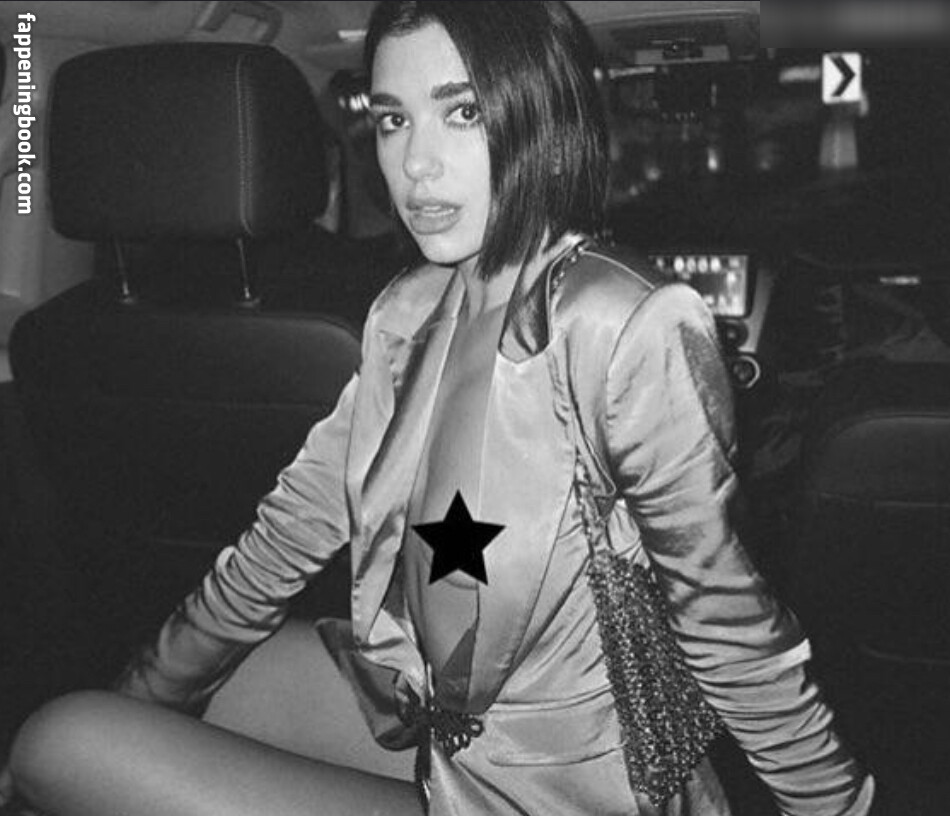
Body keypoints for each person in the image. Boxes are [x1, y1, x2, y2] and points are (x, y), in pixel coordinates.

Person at [1, 2, 877, 814]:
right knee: (207, 677)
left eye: (463, 113)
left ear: (542, 123)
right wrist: (144, 693)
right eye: (393, 119)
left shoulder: (621, 321)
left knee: (60, 738)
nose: (416, 162)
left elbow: (727, 624)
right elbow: (284, 538)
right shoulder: (409, 311)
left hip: (570, 785)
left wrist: (834, 808)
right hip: (437, 713)